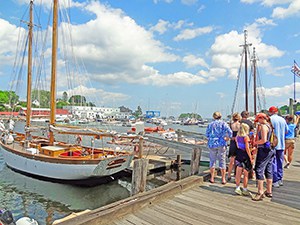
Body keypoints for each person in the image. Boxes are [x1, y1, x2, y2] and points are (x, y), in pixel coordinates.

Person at [252, 113, 275, 201]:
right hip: (271, 150)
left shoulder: (264, 127)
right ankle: (269, 191)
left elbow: (263, 140)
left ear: (262, 118)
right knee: (268, 169)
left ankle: (260, 191)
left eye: (258, 120)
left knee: (259, 169)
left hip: (264, 150)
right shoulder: (270, 126)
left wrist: (255, 142)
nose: (258, 122)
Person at [206, 111, 232, 184]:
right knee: (222, 161)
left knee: (212, 161)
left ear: (214, 117)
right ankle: (223, 179)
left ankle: (212, 178)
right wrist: (227, 138)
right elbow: (230, 132)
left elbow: (207, 134)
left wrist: (210, 138)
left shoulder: (210, 124)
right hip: (221, 143)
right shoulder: (224, 123)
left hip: (212, 143)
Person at [268, 106, 288, 187]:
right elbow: (286, 131)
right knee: (280, 161)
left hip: (273, 144)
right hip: (281, 144)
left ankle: (275, 180)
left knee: (273, 162)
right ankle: (280, 179)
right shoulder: (282, 119)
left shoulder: (270, 119)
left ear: (270, 112)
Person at [234, 123, 253, 196]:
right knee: (245, 173)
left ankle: (237, 187)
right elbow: (247, 148)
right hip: (245, 155)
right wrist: (250, 157)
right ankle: (245, 189)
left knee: (238, 172)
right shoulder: (246, 137)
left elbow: (238, 145)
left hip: (239, 153)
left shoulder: (237, 137)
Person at [227, 112, 241, 181]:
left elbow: (228, 134)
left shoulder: (231, 124)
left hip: (232, 142)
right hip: (238, 141)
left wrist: (231, 137)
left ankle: (229, 174)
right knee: (239, 160)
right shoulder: (240, 125)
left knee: (231, 160)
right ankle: (237, 175)